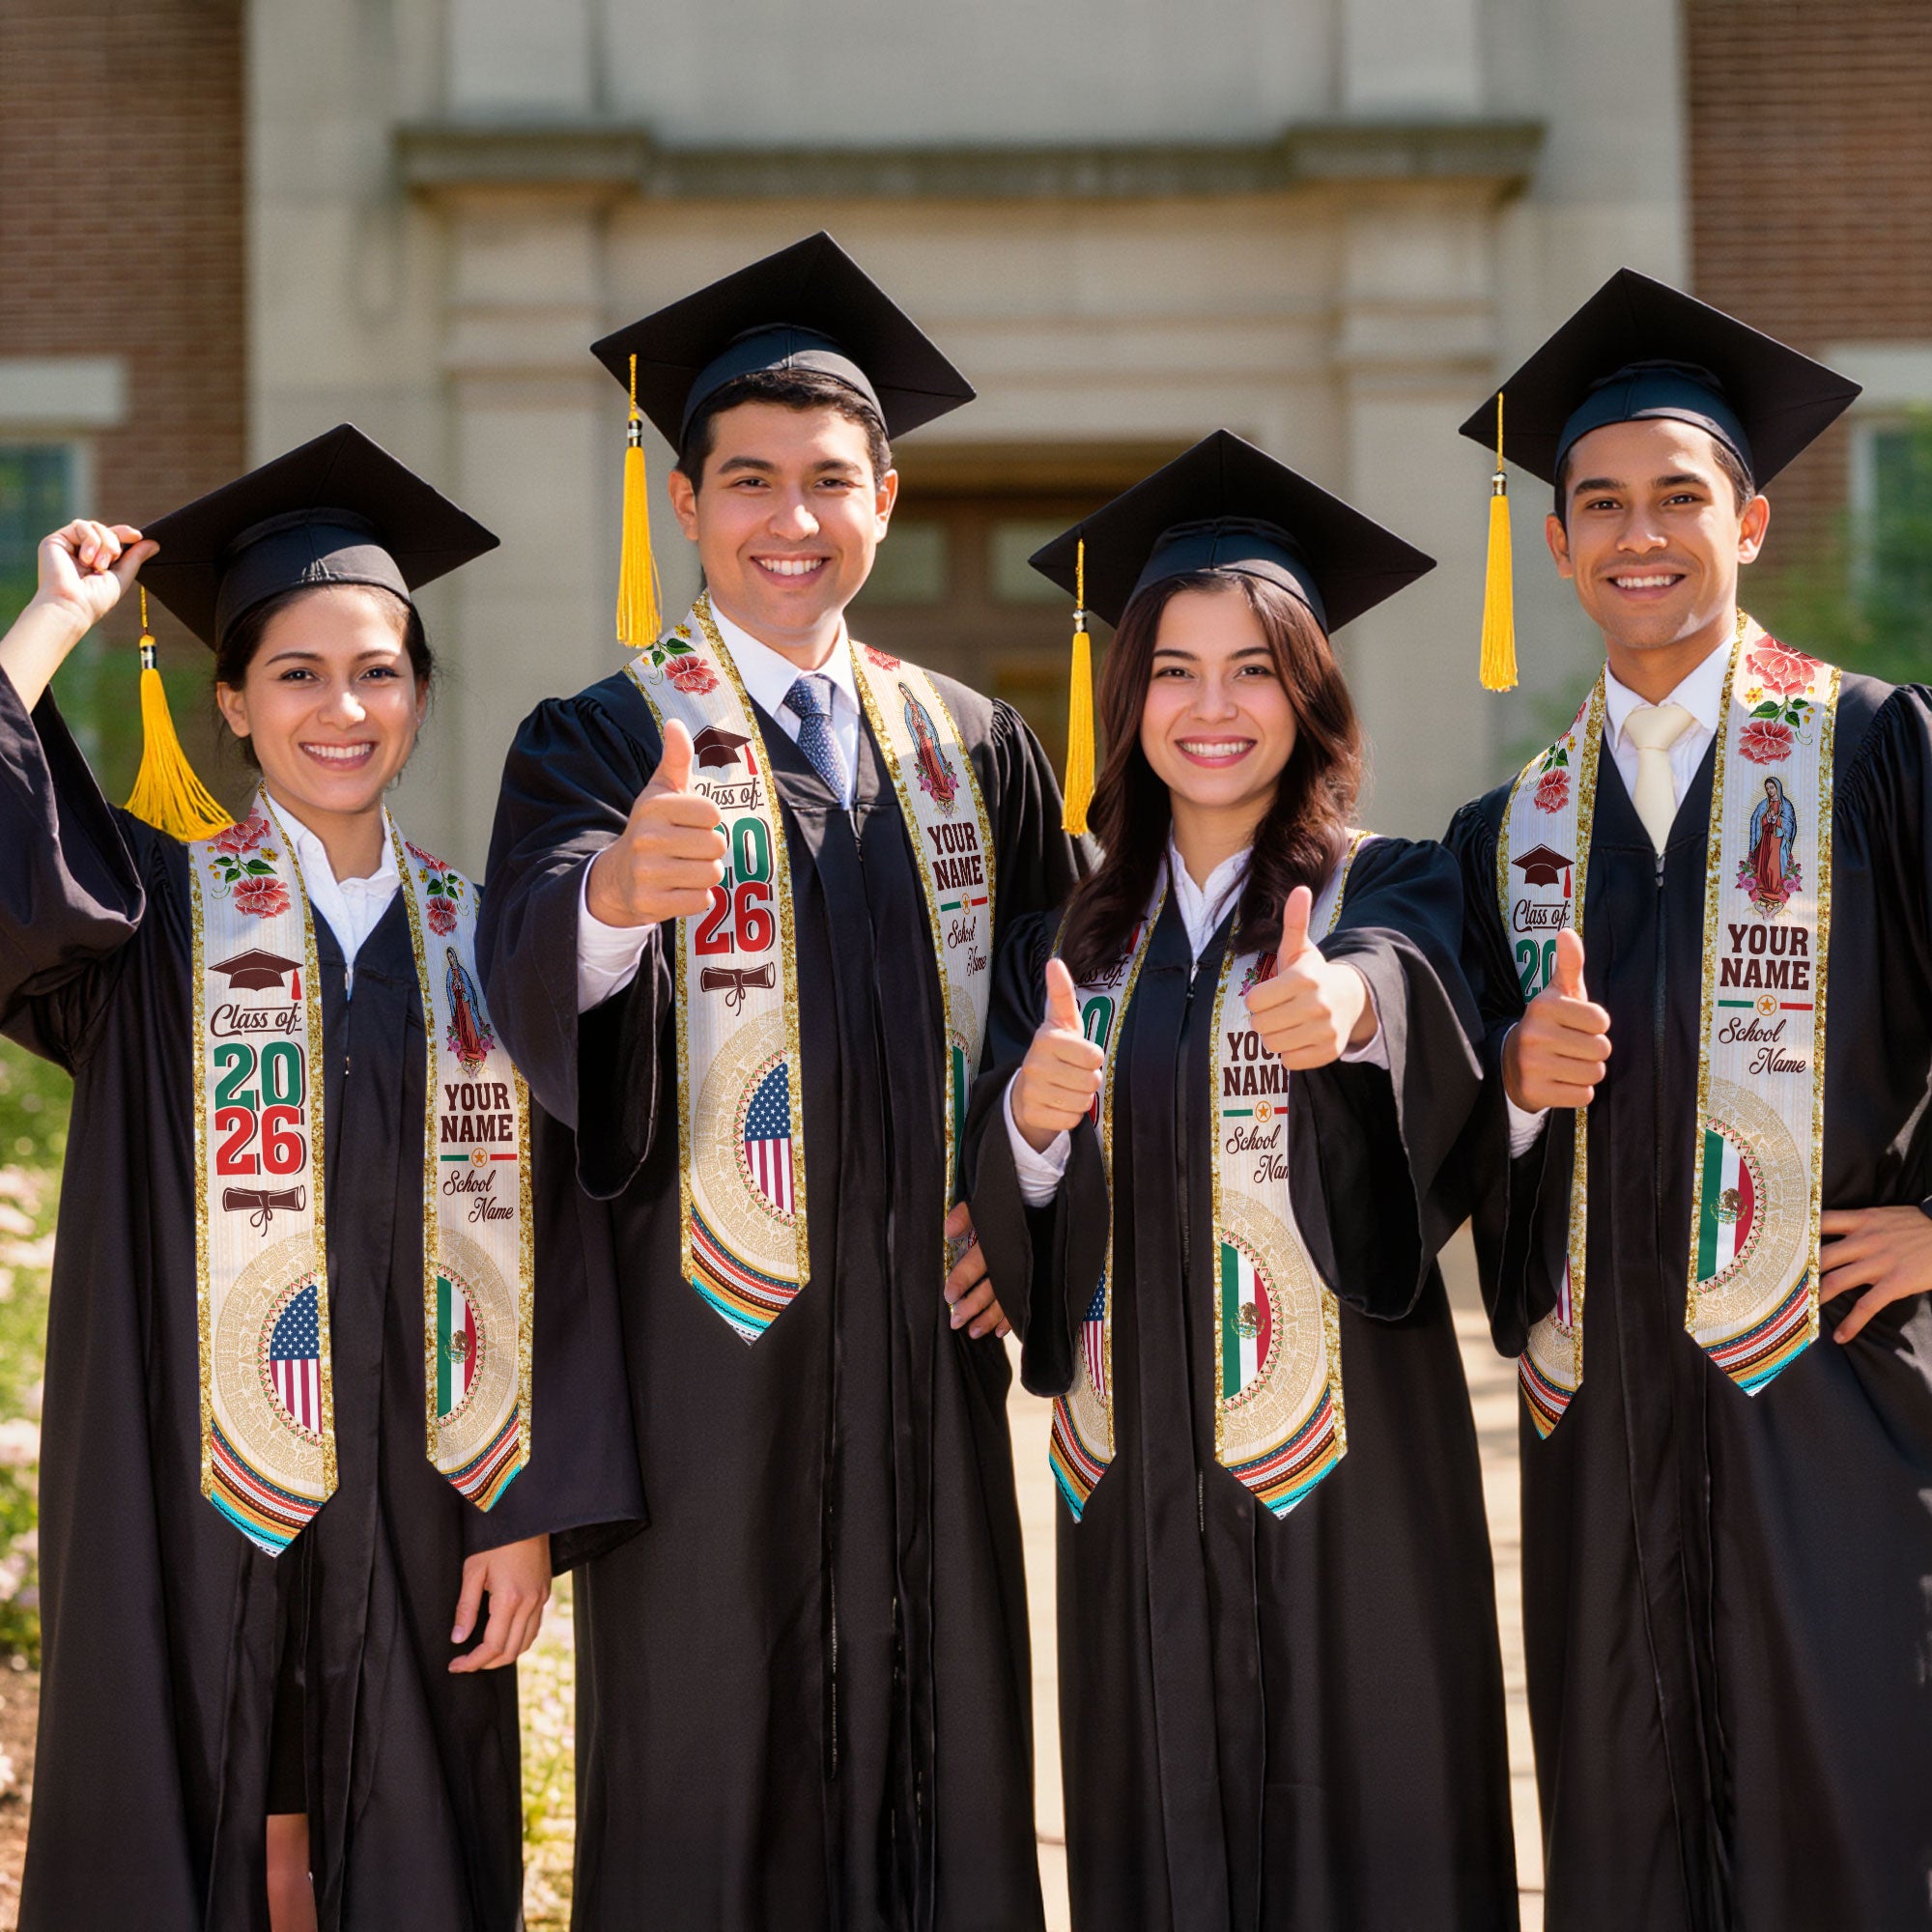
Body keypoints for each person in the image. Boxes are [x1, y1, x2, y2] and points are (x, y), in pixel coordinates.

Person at [478, 233, 1083, 1931]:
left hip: (925, 1359)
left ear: (886, 497)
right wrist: (611, 899)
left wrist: (1020, 1199)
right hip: (707, 1372)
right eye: (749, 481)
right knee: (709, 1778)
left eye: (831, 481)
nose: (790, 519)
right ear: (686, 503)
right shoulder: (600, 738)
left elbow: (1072, 1012)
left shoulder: (975, 745)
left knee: (942, 1761)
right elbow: (521, 968)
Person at [0, 426, 639, 1931]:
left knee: (408, 1834)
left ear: (419, 696)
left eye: (377, 671)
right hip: (185, 1483)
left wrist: (527, 1509)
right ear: (230, 701)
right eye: (295, 673)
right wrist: (50, 625)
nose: (340, 708)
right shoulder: (149, 921)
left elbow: (569, 1236)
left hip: (430, 1494)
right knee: (195, 1807)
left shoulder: (493, 942)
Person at [966, 432, 1518, 1931]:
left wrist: (1349, 1015)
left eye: (1256, 669)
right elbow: (1010, 1202)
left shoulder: (1387, 884)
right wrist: (1025, 1118)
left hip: (1353, 1482)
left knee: (1374, 1833)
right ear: (1127, 696)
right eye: (1175, 670)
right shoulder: (1064, 945)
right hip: (1133, 1480)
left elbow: (1413, 995)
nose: (1214, 709)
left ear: (1311, 693)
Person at [1446, 270, 1932, 1931]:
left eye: (1678, 497)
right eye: (1599, 504)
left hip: (1837, 1405)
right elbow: (1444, 1140)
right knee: (1625, 1825)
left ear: (1752, 519)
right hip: (1603, 1434)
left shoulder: (1873, 752)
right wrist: (1511, 1088)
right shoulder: (1508, 833)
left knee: (1854, 1808)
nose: (1637, 534)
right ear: (1561, 543)